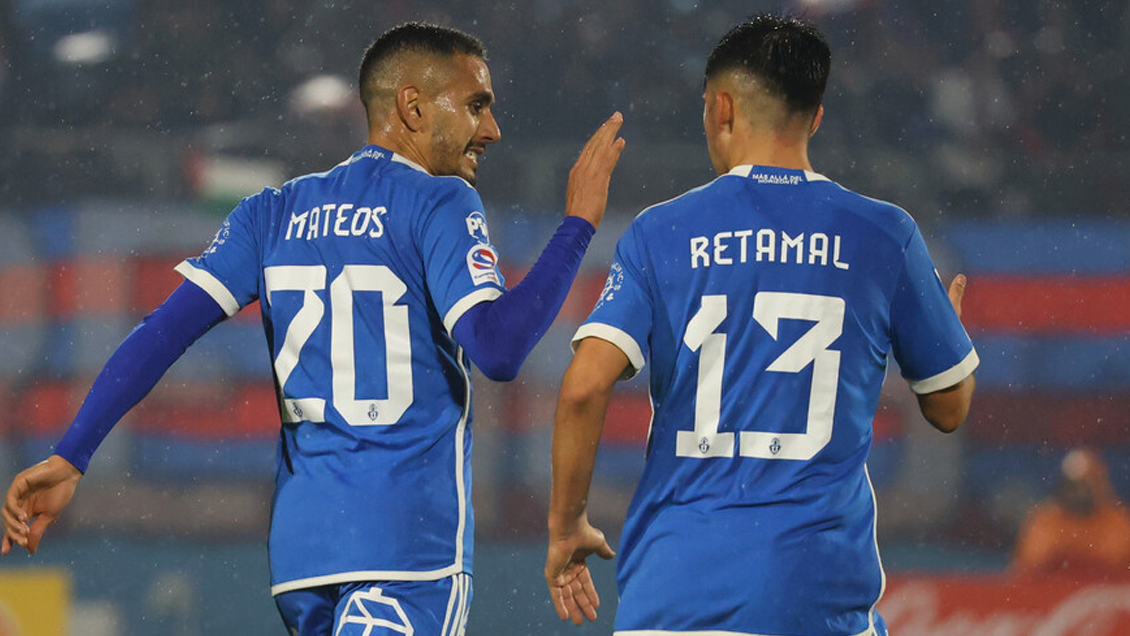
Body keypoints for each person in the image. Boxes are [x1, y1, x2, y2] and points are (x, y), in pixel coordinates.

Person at [2, 22, 625, 636]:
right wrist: (577, 225)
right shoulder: (439, 202)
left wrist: (72, 453)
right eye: (475, 105)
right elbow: (499, 347)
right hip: (406, 547)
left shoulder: (270, 213)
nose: (491, 129)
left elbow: (160, 334)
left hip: (303, 558)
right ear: (411, 107)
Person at [544, 15, 977, 636]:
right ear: (817, 115)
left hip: (674, 596)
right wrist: (947, 337)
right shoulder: (884, 234)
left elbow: (584, 387)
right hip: (813, 600)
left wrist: (567, 526)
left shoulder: (660, 233)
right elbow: (949, 407)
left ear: (721, 108)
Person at [1013, 448, 1130, 575]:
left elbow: (1118, 563)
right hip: (1056, 590)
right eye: (1074, 485)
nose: (1080, 492)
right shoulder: (1046, 521)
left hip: (1106, 591)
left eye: (1086, 484)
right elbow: (1028, 567)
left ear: (1100, 484)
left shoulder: (1117, 521)